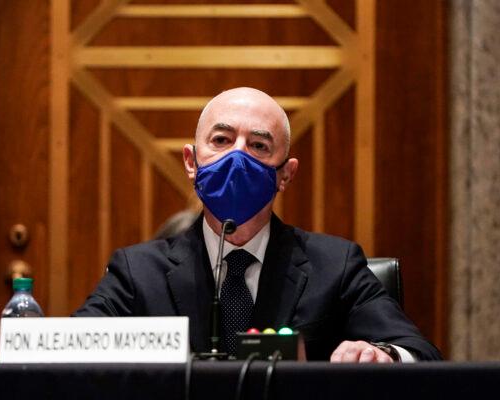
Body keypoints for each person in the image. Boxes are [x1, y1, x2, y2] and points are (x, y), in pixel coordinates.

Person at [74, 87, 441, 362]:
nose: (237, 157)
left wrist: (383, 355)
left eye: (259, 146)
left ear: (286, 174)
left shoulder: (336, 266)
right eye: (221, 140)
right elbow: (70, 347)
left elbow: (419, 352)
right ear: (191, 160)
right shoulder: (137, 272)